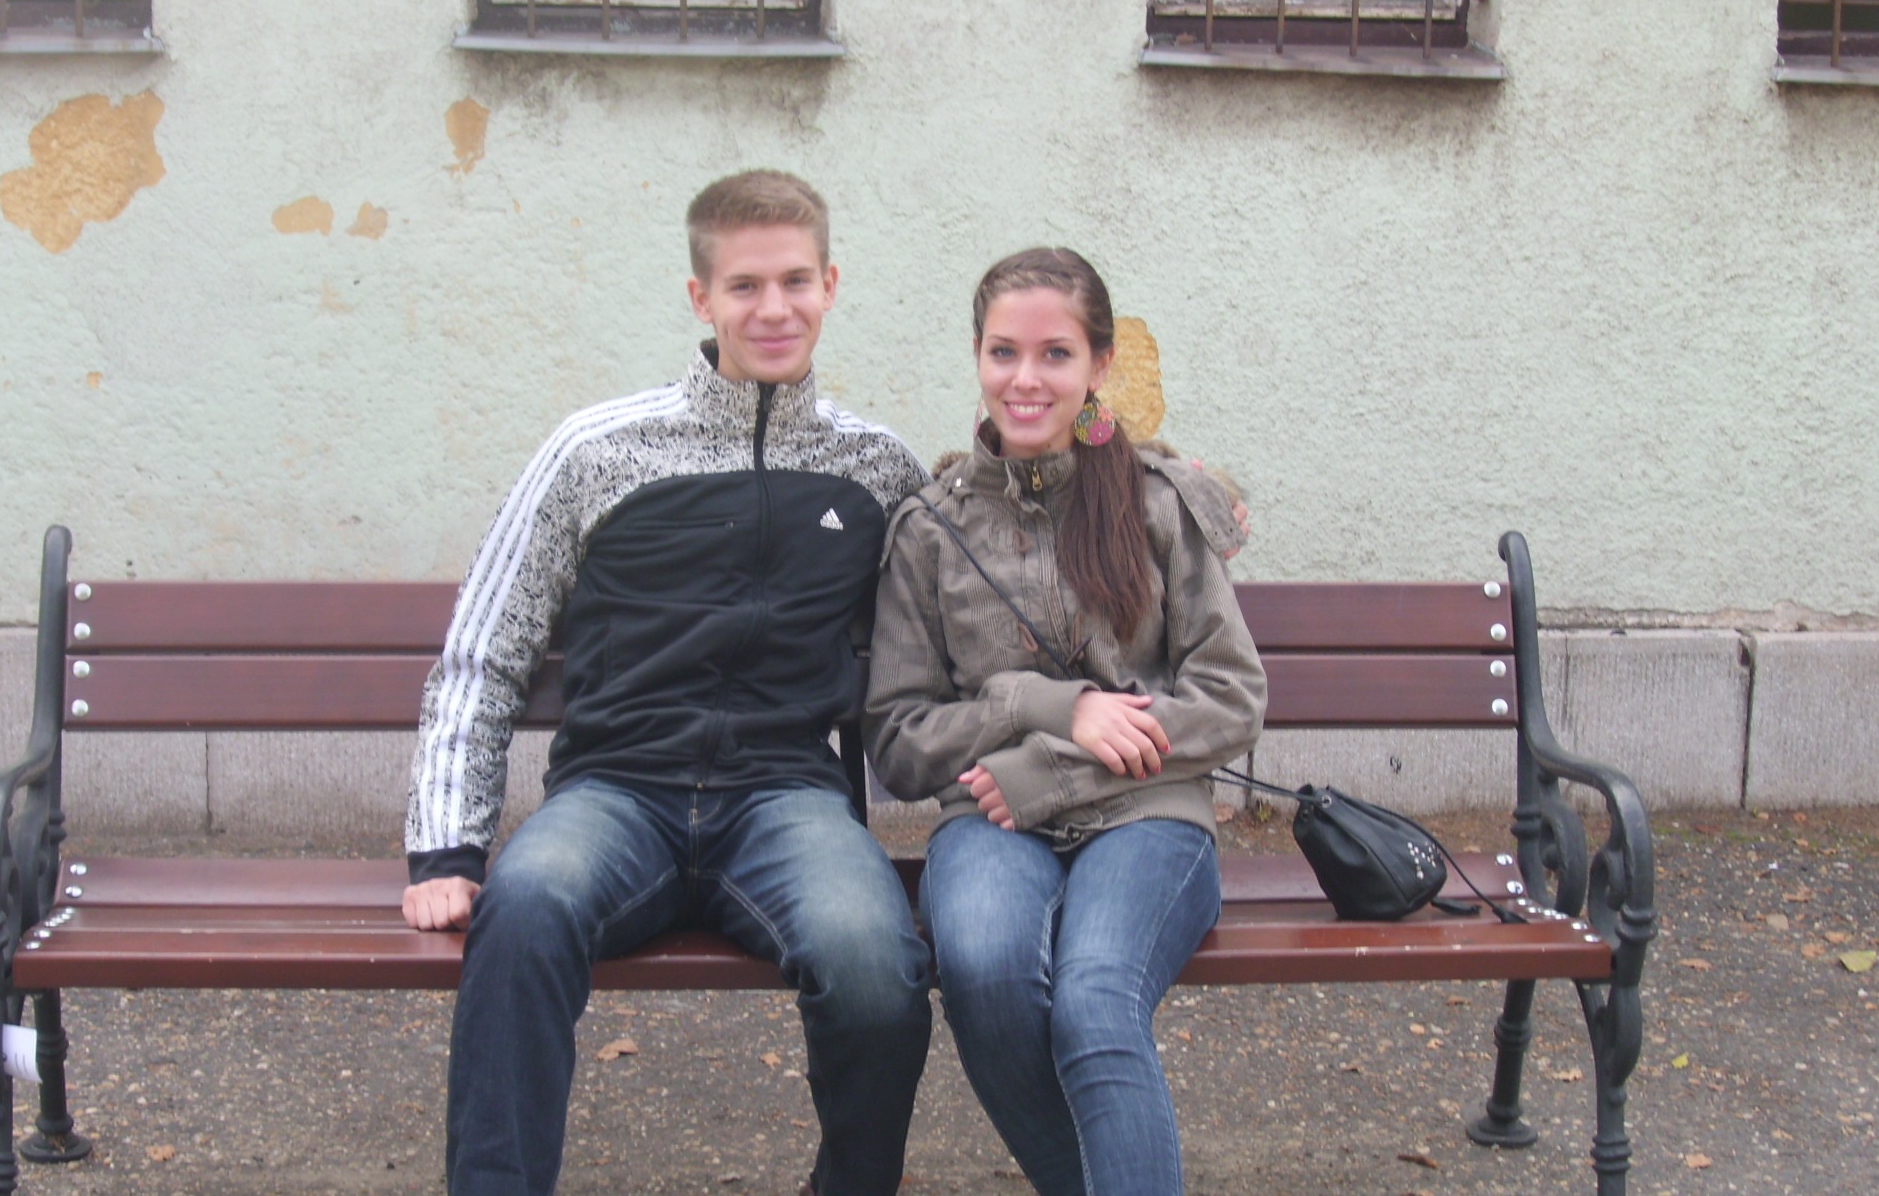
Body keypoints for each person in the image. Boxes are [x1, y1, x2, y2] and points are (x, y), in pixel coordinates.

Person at [402, 170, 934, 1196]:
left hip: (784, 800)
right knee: (524, 911)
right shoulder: (597, 449)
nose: (772, 309)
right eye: (744, 286)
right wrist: (446, 847)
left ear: (830, 285)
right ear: (700, 298)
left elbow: (956, 616)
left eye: (794, 282)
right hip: (616, 795)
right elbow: (484, 651)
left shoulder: (876, 469)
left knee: (877, 964)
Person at [865, 247, 1268, 1196]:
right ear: (976, 356)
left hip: (1146, 816)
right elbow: (899, 740)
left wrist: (1050, 770)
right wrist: (1041, 706)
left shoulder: (1156, 502)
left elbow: (1231, 697)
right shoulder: (931, 528)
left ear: (1098, 365)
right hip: (987, 821)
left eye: (1055, 354)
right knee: (985, 971)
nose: (1026, 379)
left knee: (1095, 1001)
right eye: (1004, 352)